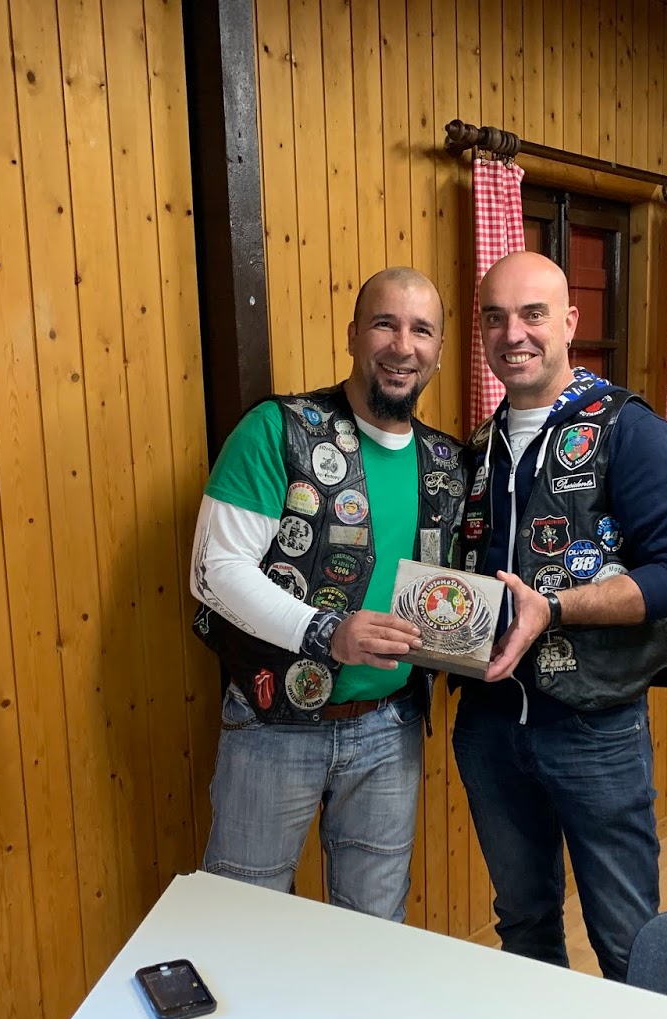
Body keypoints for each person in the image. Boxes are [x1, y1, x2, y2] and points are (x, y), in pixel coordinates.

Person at [453, 251, 667, 981]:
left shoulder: (629, 428)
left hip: (595, 727)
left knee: (627, 942)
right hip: (490, 724)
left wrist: (556, 609)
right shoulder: (479, 447)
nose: (514, 334)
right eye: (495, 317)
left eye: (533, 314)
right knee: (523, 923)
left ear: (569, 322)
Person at [190, 267, 467, 921]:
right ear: (352, 334)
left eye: (421, 330)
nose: (402, 346)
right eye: (384, 324)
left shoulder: (449, 464)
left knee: (375, 926)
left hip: (391, 727)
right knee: (243, 920)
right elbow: (214, 570)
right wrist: (326, 631)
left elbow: (452, 595)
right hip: (272, 726)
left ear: (438, 349)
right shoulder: (278, 429)